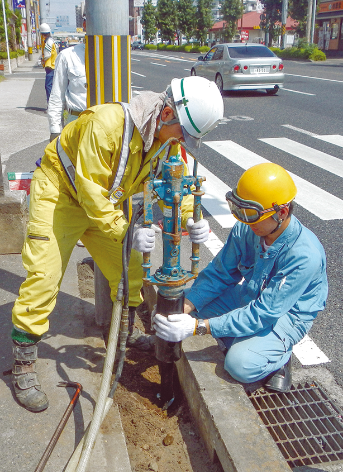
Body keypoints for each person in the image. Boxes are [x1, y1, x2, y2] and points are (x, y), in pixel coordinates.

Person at [10, 76, 224, 412]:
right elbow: (91, 194)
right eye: (183, 132)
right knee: (44, 279)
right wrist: (127, 233)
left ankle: (122, 338)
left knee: (130, 273)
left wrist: (191, 220)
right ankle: (23, 363)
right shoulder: (105, 125)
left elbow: (174, 180)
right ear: (167, 113)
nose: (183, 140)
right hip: (60, 196)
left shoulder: (165, 137)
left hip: (103, 204)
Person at [154, 163, 328, 393]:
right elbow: (219, 274)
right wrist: (183, 308)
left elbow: (264, 312)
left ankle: (280, 358)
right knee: (177, 308)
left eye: (251, 214)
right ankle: (245, 340)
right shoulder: (248, 228)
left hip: (286, 314)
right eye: (238, 210)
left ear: (282, 212)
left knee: (240, 364)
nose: (244, 220)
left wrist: (199, 327)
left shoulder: (305, 255)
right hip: (250, 295)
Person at [39, 23, 58, 103]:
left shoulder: (48, 42)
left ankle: (50, 104)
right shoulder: (51, 40)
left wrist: (42, 60)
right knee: (52, 86)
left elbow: (47, 54)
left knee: (48, 86)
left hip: (50, 66)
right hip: (53, 65)